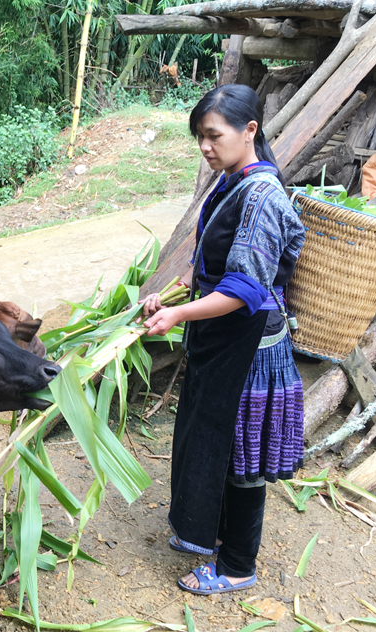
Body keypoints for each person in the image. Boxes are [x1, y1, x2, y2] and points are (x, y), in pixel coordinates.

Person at [140, 84, 306, 595]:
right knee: (212, 440)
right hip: (222, 342)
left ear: (250, 130)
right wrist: (176, 292)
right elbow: (214, 259)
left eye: (213, 136)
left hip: (252, 351)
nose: (205, 147)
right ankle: (208, 532)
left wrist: (178, 316)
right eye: (199, 138)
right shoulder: (231, 181)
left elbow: (246, 287)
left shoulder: (263, 196)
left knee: (242, 460)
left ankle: (237, 566)